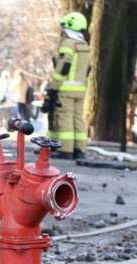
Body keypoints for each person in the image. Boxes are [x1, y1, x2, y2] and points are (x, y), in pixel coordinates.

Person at [47, 12, 91, 159]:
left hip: (65, 89)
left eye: (64, 28)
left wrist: (54, 85)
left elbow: (63, 66)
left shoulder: (68, 44)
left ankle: (66, 149)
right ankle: (80, 149)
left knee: (65, 117)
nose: (62, 31)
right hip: (80, 90)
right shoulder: (84, 45)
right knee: (78, 118)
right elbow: (88, 68)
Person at [127, 76, 137, 144]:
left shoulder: (134, 81)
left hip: (132, 106)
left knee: (130, 123)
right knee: (129, 122)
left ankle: (129, 138)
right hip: (130, 106)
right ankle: (128, 137)